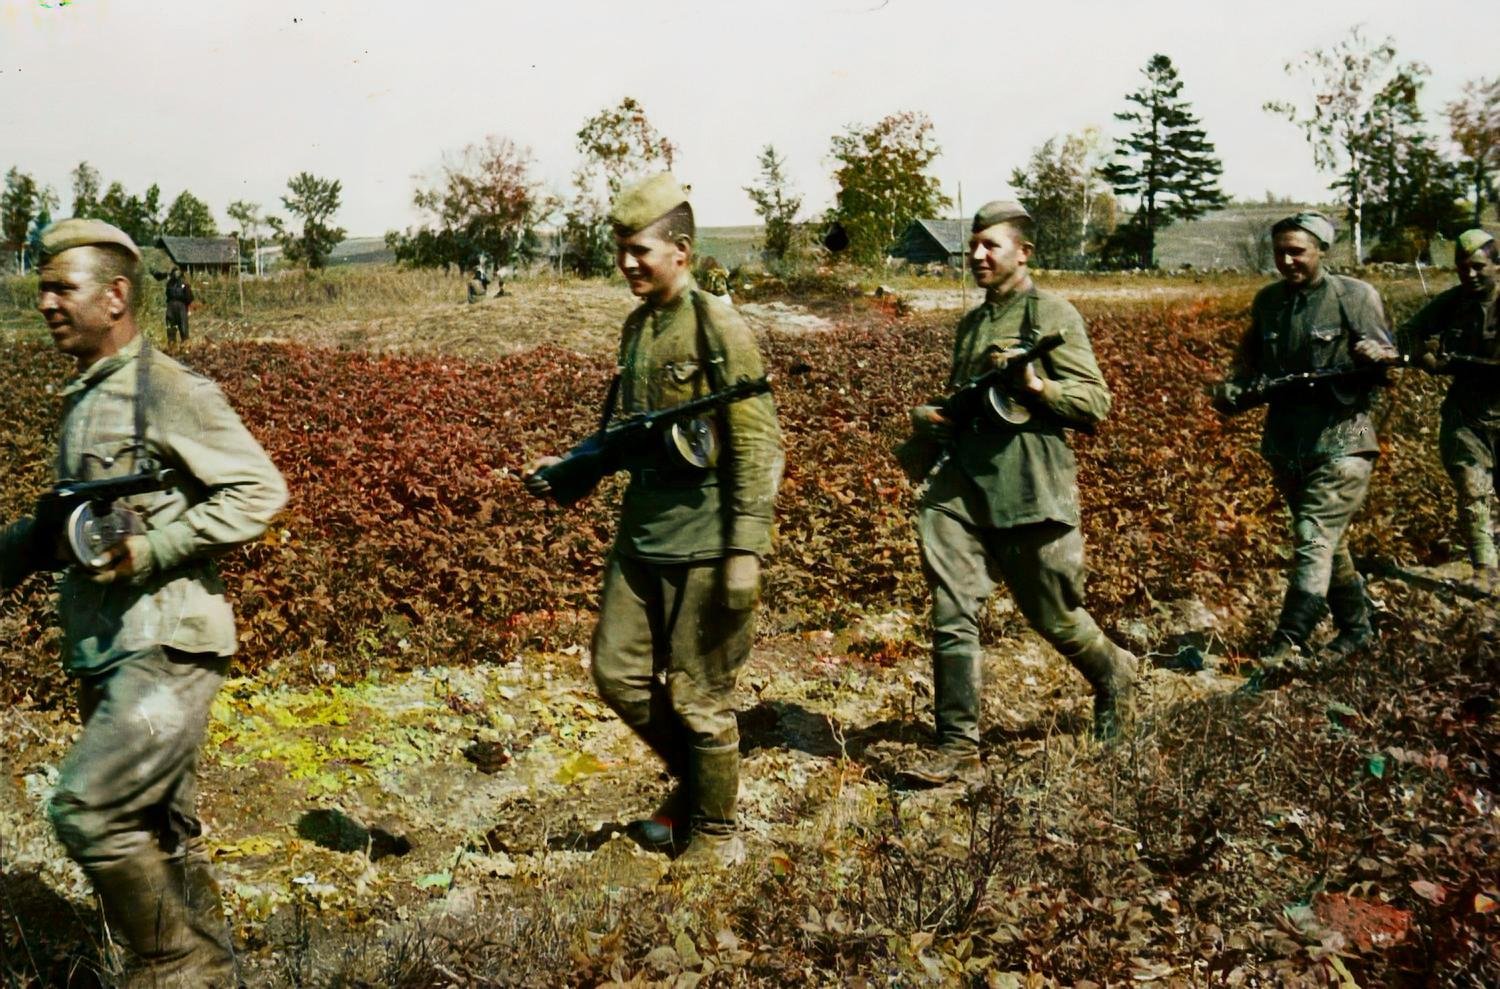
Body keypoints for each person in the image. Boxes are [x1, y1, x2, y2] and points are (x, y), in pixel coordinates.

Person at [1, 219, 288, 987]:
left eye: (63, 286)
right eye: (43, 289)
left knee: (89, 810)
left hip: (167, 644)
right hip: (113, 644)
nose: (48, 303)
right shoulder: (92, 395)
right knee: (163, 832)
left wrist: (157, 546)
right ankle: (213, 975)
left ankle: (171, 965)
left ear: (117, 294)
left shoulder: (166, 389)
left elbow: (260, 489)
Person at [523, 174, 782, 868]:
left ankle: (717, 834)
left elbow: (758, 442)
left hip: (705, 541)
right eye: (621, 252)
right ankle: (701, 787)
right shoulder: (638, 327)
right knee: (616, 672)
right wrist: (573, 461)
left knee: (699, 698)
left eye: (640, 249)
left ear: (682, 252)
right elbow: (628, 433)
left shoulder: (716, 324)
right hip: (642, 534)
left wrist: (745, 551)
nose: (629, 263)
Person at [898, 200, 1137, 788]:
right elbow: (964, 401)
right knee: (951, 608)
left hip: (1029, 487)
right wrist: (932, 417)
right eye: (974, 244)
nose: (977, 255)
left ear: (1023, 253)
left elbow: (1094, 404)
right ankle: (957, 747)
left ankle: (1116, 675)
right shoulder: (974, 323)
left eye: (991, 245)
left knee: (1054, 616)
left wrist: (1036, 384)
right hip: (963, 490)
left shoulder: (1051, 314)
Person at [1212, 211, 1397, 681]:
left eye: (1298, 251)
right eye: (1280, 253)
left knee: (1313, 534)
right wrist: (1232, 390)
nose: (1288, 261)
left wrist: (1376, 355)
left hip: (1343, 440)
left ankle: (1287, 640)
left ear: (1321, 251)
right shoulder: (1269, 302)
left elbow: (1388, 365)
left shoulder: (1354, 297)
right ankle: (1357, 629)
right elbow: (1247, 367)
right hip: (1289, 444)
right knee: (1326, 543)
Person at [1400, 229, 1500, 579]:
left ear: (1497, 266)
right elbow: (1409, 332)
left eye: (1478, 267)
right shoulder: (1453, 302)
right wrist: (1423, 357)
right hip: (1467, 414)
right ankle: (1486, 571)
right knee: (1472, 490)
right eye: (1462, 268)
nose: (1470, 275)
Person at [164, 266, 192, 345]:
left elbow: (189, 297)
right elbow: (189, 297)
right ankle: (173, 347)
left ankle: (183, 346)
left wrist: (187, 306)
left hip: (178, 306)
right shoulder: (171, 283)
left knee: (182, 329)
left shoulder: (183, 283)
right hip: (174, 306)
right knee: (173, 329)